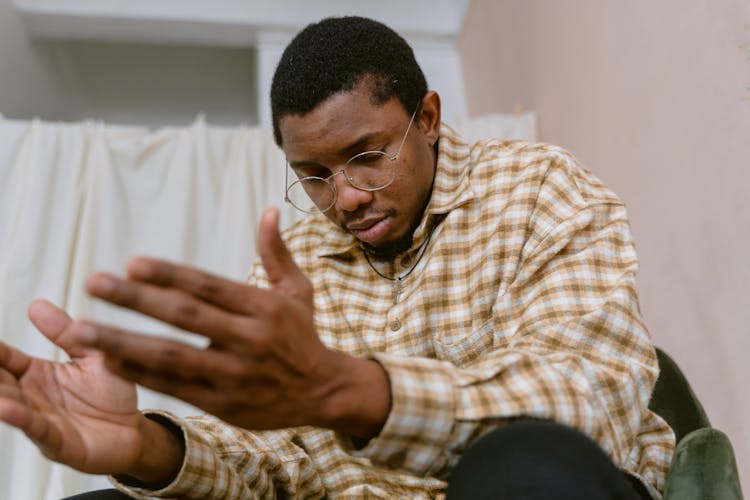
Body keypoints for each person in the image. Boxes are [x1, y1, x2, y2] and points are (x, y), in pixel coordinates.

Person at [0, 16, 674, 500]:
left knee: (525, 462)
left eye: (367, 156)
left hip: (549, 482)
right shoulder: (289, 268)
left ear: (429, 118)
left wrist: (351, 391)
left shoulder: (539, 190)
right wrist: (146, 446)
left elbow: (593, 406)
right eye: (314, 175)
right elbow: (272, 465)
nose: (345, 198)